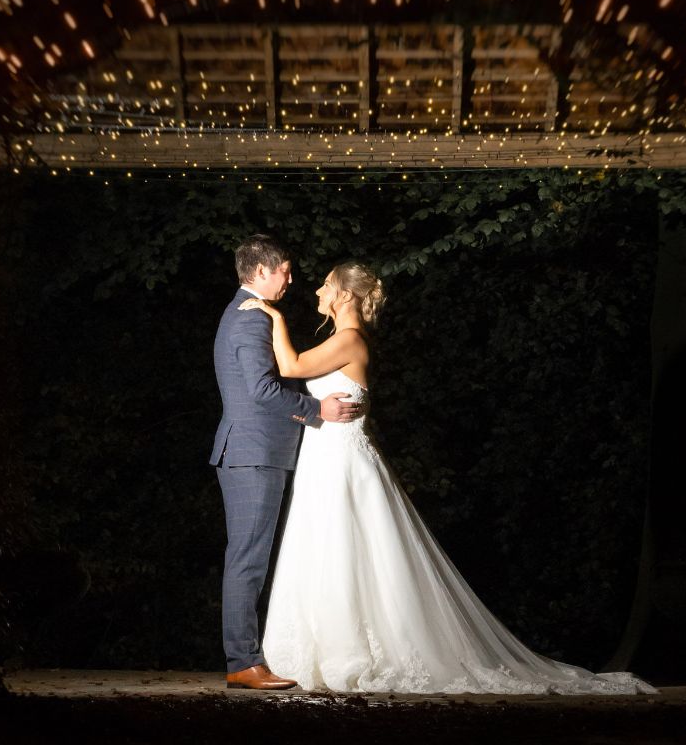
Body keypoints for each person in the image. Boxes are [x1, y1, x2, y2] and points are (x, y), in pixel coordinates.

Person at [239, 261, 659, 695]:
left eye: (326, 285)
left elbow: (289, 367)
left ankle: (349, 650)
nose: (317, 291)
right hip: (325, 456)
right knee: (330, 547)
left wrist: (274, 317)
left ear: (345, 295)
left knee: (346, 547)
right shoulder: (340, 338)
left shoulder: (348, 339)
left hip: (342, 460)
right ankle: (324, 646)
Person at [210, 234, 365, 690]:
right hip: (252, 453)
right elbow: (261, 390)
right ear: (261, 271)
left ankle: (246, 659)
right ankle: (242, 662)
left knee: (249, 558)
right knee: (247, 561)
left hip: (254, 452)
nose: (291, 279)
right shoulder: (250, 319)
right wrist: (318, 410)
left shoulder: (248, 314)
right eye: (285, 270)